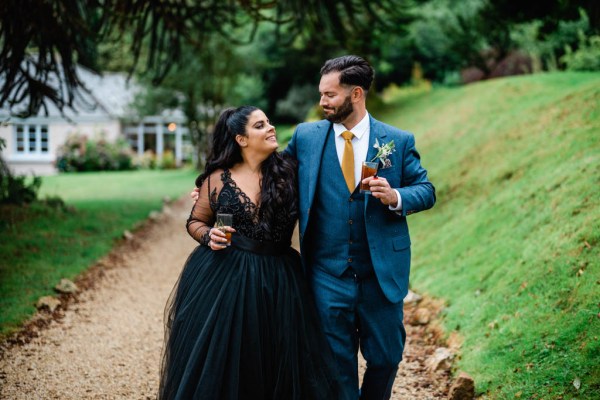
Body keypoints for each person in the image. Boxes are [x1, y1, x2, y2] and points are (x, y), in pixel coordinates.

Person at [192, 55, 436, 400]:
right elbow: (269, 167)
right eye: (321, 94)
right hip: (326, 274)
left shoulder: (397, 140)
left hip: (380, 275)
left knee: (386, 358)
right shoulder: (307, 136)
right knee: (336, 365)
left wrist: (395, 195)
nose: (322, 102)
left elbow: (426, 190)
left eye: (329, 95)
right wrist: (218, 187)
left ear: (356, 94)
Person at [159, 106, 340, 400]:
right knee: (228, 357)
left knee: (276, 357)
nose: (270, 128)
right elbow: (195, 221)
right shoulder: (218, 178)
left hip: (280, 278)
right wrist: (208, 235)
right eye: (260, 125)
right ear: (241, 139)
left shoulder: (291, 171)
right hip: (225, 277)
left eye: (269, 122)